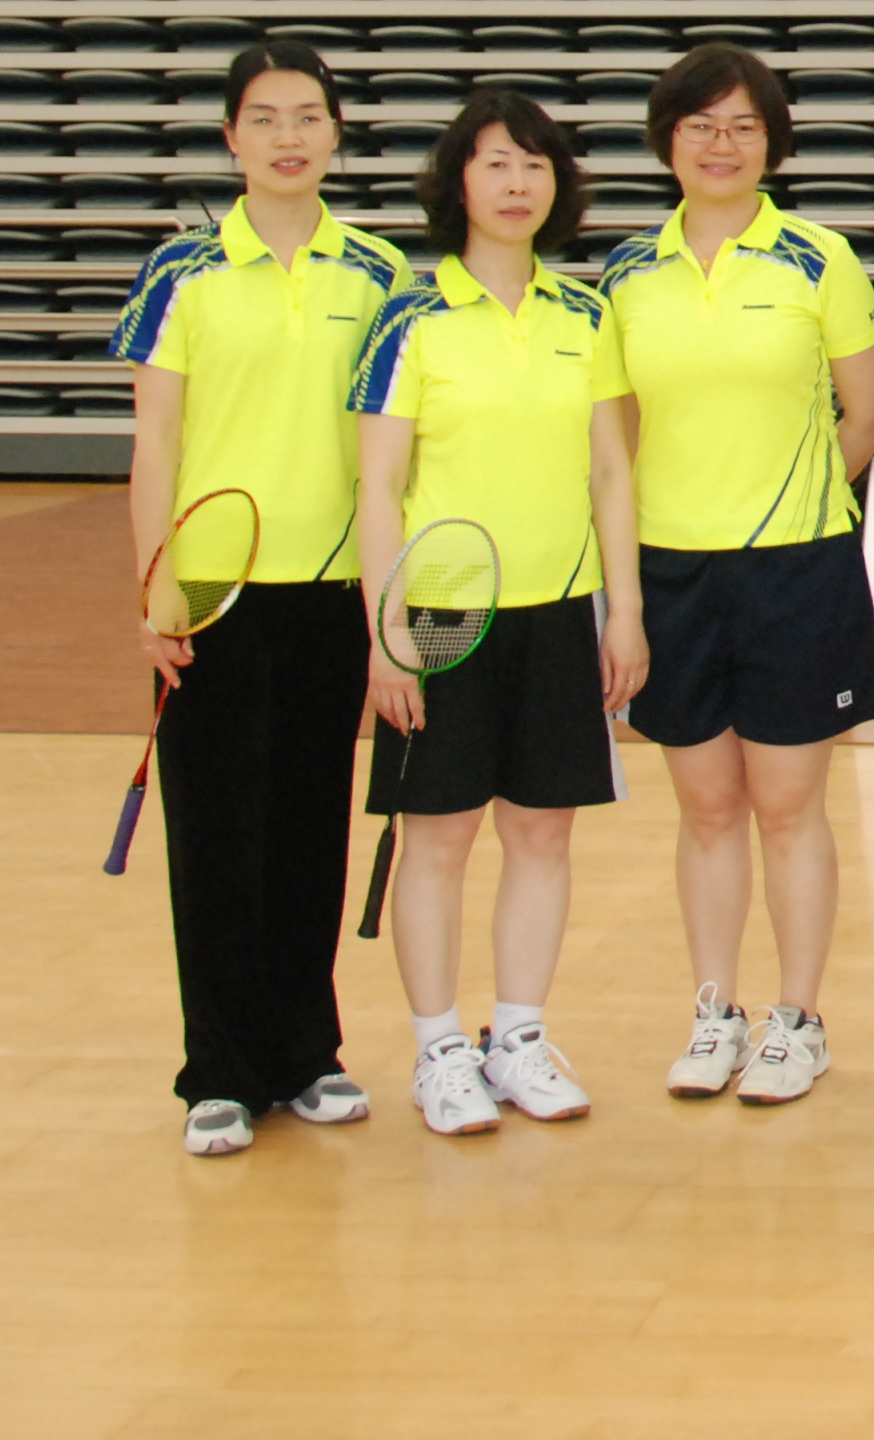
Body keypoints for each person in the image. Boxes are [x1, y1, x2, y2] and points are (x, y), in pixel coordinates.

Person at [110, 38, 416, 1158]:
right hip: (212, 588)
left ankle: (306, 1054)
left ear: (336, 134)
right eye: (266, 118)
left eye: (308, 117)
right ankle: (218, 1072)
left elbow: (396, 449)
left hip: (333, 587)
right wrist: (157, 589)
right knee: (214, 834)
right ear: (231, 137)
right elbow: (155, 439)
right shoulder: (180, 273)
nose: (289, 138)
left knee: (307, 827)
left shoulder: (380, 272)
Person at [600, 43, 874, 1109]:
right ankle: (715, 1012)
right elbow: (615, 440)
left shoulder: (820, 260)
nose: (720, 145)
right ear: (667, 142)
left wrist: (796, 508)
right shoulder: (625, 276)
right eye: (699, 126)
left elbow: (870, 412)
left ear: (772, 144)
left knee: (786, 803)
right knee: (707, 805)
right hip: (671, 570)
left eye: (742, 127)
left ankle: (796, 1021)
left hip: (795, 571)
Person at [352, 90, 647, 1139]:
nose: (517, 184)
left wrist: (623, 613)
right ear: (457, 184)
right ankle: (438, 1049)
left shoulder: (586, 317)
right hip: (441, 619)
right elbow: (377, 485)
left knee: (541, 835)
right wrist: (389, 636)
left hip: (559, 610)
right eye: (495, 164)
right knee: (436, 840)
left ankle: (517, 1037)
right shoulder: (408, 320)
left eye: (535, 165)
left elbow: (611, 474)